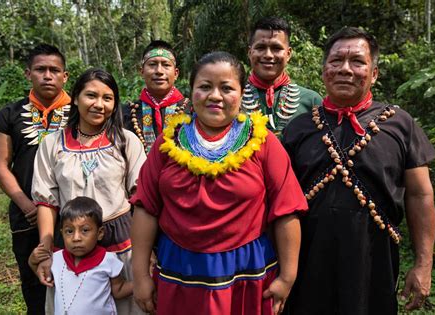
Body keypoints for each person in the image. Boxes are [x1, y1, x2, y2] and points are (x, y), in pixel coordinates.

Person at [130, 51, 307, 315]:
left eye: (226, 88)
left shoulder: (263, 143)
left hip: (246, 272)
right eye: (205, 87)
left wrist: (287, 277)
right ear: (191, 93)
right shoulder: (166, 143)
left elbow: (286, 209)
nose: (215, 96)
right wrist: (141, 275)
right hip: (179, 270)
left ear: (241, 92)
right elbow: (146, 207)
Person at [282, 27, 435, 314]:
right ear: (324, 70)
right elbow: (279, 204)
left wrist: (423, 264)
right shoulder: (298, 128)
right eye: (336, 61)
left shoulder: (400, 124)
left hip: (374, 265)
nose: (345, 69)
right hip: (307, 264)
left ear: (374, 73)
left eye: (357, 61)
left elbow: (420, 195)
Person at [31, 68, 146, 314]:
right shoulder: (52, 145)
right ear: (75, 97)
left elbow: (142, 200)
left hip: (121, 243)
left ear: (115, 104)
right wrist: (46, 250)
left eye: (108, 98)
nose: (99, 104)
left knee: (126, 306)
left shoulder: (126, 142)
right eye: (91, 95)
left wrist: (146, 253)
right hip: (71, 243)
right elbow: (47, 202)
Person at [0, 43, 70, 314]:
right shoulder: (10, 114)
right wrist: (26, 205)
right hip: (27, 216)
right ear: (28, 74)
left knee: (76, 279)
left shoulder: (81, 111)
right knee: (34, 282)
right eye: (40, 69)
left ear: (65, 76)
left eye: (54, 70)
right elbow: (1, 164)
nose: (47, 75)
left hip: (72, 217)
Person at [28, 197, 133, 314]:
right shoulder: (56, 260)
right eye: (69, 231)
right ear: (62, 233)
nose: (76, 238)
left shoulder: (108, 260)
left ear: (100, 233)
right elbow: (44, 276)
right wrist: (32, 262)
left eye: (85, 230)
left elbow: (118, 290)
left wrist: (143, 282)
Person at [242, 16, 322, 137]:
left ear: (288, 54)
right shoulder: (234, 99)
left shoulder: (311, 101)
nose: (268, 55)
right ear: (250, 52)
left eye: (276, 48)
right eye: (260, 48)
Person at [123, 40, 189, 153]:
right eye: (152, 64)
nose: (159, 71)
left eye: (166, 65)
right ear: (142, 72)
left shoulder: (192, 110)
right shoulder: (126, 113)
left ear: (176, 73)